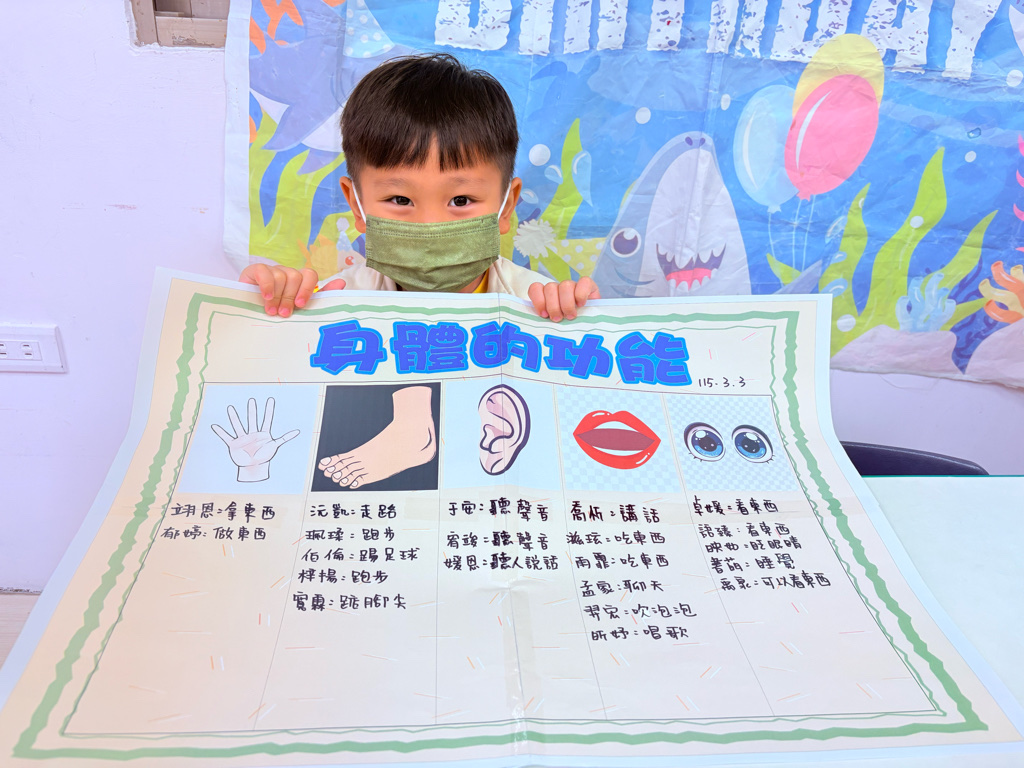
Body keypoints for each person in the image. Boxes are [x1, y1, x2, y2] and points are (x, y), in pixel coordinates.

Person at [239, 53, 599, 322]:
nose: (430, 226)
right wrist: (262, 303)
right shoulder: (335, 302)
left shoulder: (535, 305)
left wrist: (583, 319)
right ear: (356, 204)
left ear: (506, 206)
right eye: (400, 199)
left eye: (461, 200)